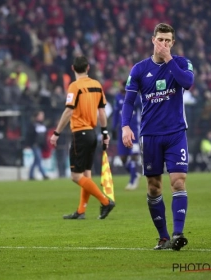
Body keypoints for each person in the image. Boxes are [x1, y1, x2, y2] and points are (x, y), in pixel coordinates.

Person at [122, 23, 194, 251]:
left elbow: (188, 83)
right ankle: (163, 237)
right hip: (150, 135)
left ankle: (178, 234)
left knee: (178, 181)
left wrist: (169, 59)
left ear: (172, 43)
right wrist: (125, 126)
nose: (163, 44)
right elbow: (129, 102)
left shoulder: (182, 63)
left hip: (175, 133)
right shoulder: (139, 69)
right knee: (154, 187)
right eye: (160, 39)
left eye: (168, 41)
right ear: (153, 40)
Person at [50, 55, 115, 220]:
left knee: (75, 176)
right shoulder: (96, 85)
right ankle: (81, 211)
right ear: (88, 68)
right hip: (93, 134)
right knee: (86, 175)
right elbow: (101, 111)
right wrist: (105, 133)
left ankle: (105, 202)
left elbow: (69, 110)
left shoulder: (74, 86)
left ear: (73, 68)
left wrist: (56, 133)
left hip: (80, 133)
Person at [112, 81, 142, 190]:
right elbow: (116, 113)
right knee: (123, 158)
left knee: (134, 155)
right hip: (122, 131)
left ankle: (132, 180)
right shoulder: (118, 97)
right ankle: (134, 175)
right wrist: (113, 128)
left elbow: (143, 110)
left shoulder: (136, 97)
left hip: (134, 130)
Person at [26, 110, 49, 180]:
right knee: (39, 160)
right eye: (40, 115)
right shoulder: (33, 125)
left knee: (36, 161)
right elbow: (29, 135)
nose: (42, 117)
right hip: (35, 145)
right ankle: (44, 174)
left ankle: (30, 175)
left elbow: (44, 136)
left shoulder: (43, 125)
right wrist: (29, 144)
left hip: (41, 145)